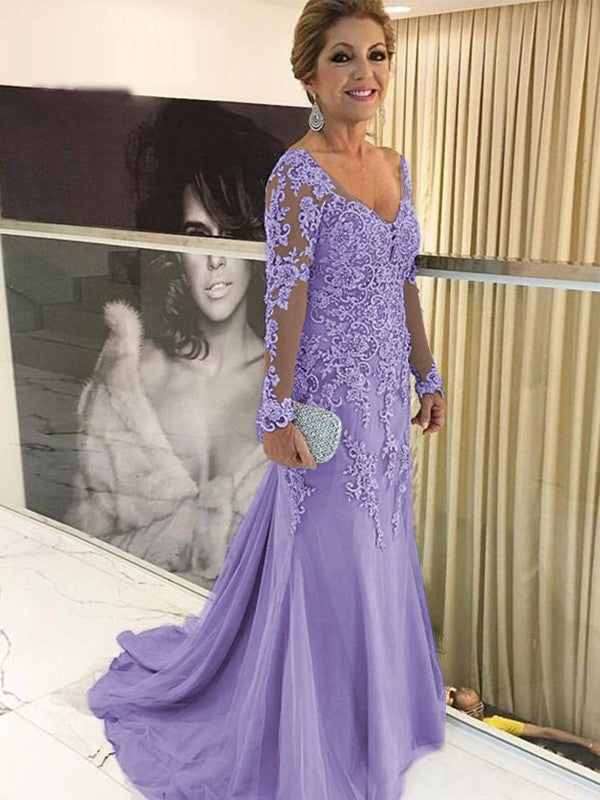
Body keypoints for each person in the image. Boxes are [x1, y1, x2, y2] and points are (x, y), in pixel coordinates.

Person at [87, 2, 448, 797]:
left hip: (385, 406)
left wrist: (427, 374)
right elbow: (285, 297)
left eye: (378, 55)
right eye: (344, 57)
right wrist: (277, 411)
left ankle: (371, 716)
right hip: (326, 406)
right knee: (325, 560)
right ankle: (312, 729)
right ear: (309, 75)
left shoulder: (396, 165)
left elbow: (404, 284)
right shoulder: (296, 174)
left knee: (381, 550)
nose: (365, 73)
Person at [64, 100, 282, 586]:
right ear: (174, 248)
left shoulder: (292, 383)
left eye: (232, 236)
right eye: (197, 235)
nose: (215, 259)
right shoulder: (129, 383)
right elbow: (86, 544)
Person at [447, 686, 600, 756]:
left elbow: (544, 732)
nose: (476, 714)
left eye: (479, 707)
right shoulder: (451, 726)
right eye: (470, 712)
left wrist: (588, 743)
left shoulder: (496, 723)